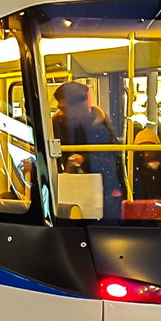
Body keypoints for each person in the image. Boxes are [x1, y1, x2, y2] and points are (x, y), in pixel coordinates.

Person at [51, 81, 124, 218]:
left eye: (67, 109)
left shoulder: (101, 127)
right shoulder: (56, 125)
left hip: (102, 197)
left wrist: (85, 160)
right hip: (65, 196)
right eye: (61, 109)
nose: (64, 113)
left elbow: (114, 163)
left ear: (83, 104)